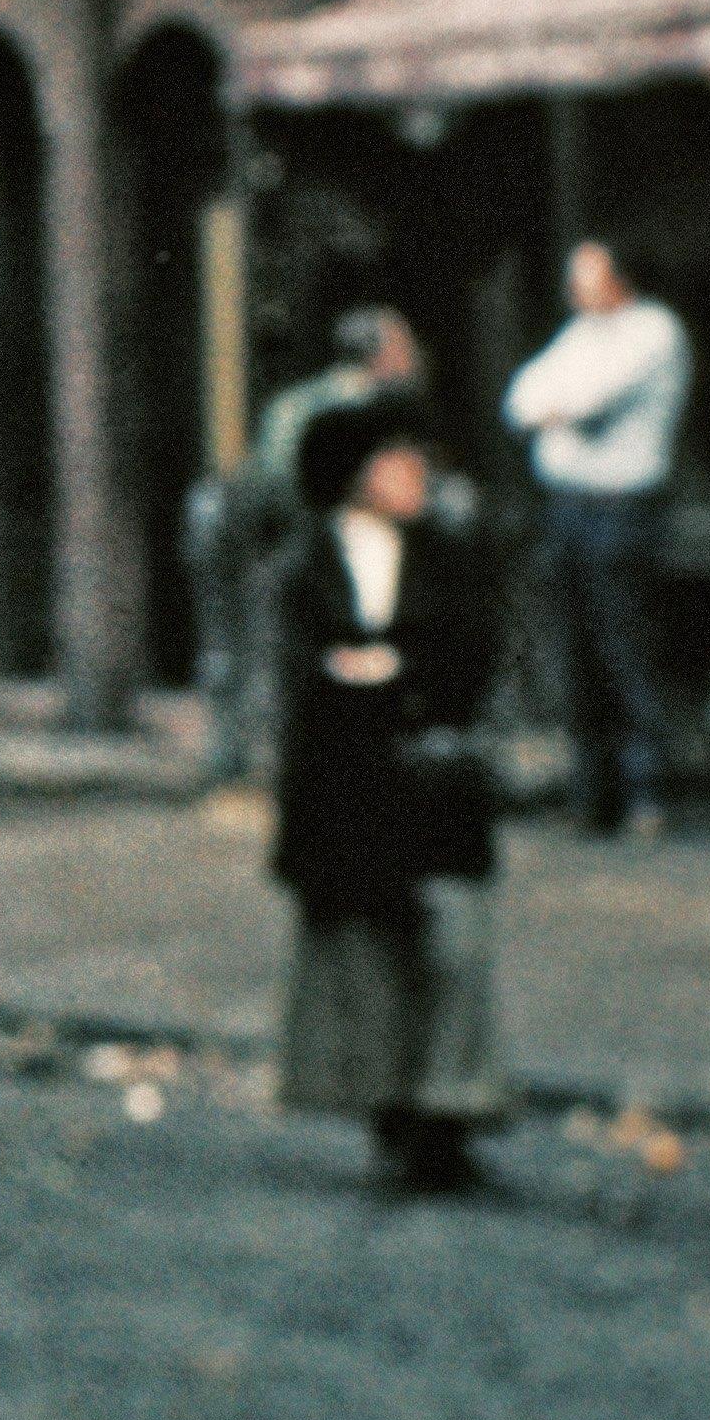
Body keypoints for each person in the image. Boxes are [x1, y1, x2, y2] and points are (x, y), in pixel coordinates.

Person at [272, 394, 509, 1194]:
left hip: (433, 784)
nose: (415, 474)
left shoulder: (451, 556)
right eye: (394, 459)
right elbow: (298, 679)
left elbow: (473, 657)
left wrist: (390, 673)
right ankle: (391, 1113)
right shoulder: (304, 565)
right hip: (348, 789)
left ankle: (449, 1114)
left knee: (453, 944)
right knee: (364, 957)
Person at [505, 240, 691, 837]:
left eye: (587, 276)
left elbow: (588, 401)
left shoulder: (653, 330)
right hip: (568, 507)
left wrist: (556, 408)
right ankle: (593, 795)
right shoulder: (580, 336)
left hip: (622, 508)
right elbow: (521, 399)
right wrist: (551, 408)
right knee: (577, 651)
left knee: (625, 648)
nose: (576, 289)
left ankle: (644, 793)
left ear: (619, 277)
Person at [199, 303, 425, 781]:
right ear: (380, 355)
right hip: (269, 542)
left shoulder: (321, 400)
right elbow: (290, 486)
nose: (413, 359)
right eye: (403, 347)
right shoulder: (346, 409)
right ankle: (251, 758)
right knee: (268, 650)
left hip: (272, 538)